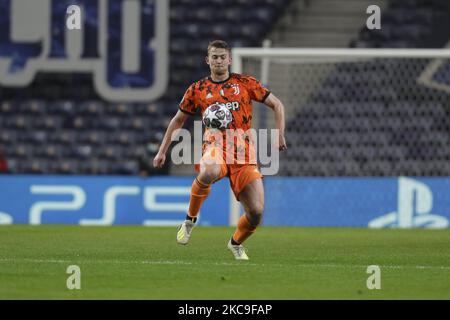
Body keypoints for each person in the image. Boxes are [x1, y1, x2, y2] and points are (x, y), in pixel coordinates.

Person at [153, 40, 287, 260]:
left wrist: (280, 133)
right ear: (208, 60)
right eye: (214, 57)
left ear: (230, 59)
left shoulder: (245, 83)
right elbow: (178, 121)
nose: (219, 61)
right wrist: (162, 151)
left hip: (244, 153)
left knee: (256, 212)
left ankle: (235, 243)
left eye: (222, 57)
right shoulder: (197, 89)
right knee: (209, 171)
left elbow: (277, 105)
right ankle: (190, 219)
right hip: (215, 145)